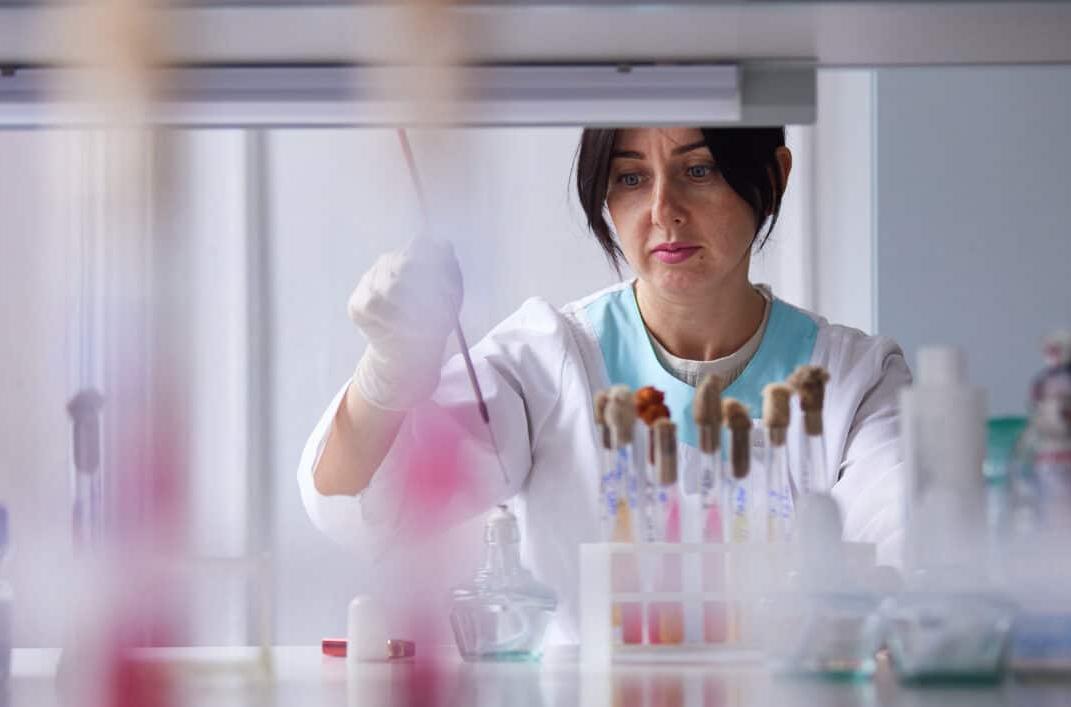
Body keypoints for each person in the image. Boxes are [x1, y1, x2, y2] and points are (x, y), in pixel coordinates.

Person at [299, 127, 909, 643]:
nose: (664, 210)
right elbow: (360, 508)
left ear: (773, 177)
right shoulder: (548, 358)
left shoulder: (854, 381)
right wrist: (387, 375)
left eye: (698, 170)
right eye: (631, 178)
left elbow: (906, 552)